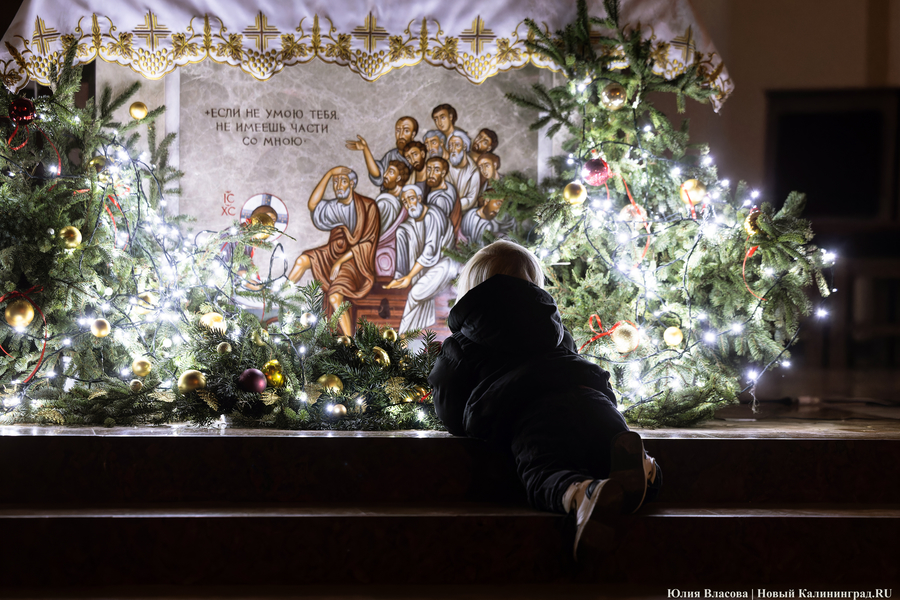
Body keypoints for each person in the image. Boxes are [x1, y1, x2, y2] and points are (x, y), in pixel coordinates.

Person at [427, 240, 661, 559]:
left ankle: (583, 493)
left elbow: (451, 408)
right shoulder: (555, 330)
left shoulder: (463, 343)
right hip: (593, 399)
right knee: (612, 452)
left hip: (536, 416)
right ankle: (646, 467)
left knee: (543, 471)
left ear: (470, 290)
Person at [287, 166, 379, 336]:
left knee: (335, 296)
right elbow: (313, 204)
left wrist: (340, 262)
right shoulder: (333, 206)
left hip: (355, 261)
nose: (338, 186)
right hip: (332, 252)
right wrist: (329, 174)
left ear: (352, 183)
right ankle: (280, 299)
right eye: (335, 182)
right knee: (302, 260)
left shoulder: (368, 206)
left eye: (343, 181)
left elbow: (367, 243)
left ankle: (349, 341)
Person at [386, 185, 456, 333]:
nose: (409, 204)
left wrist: (409, 276)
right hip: (424, 272)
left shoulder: (433, 215)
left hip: (446, 264)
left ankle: (402, 338)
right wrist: (399, 278)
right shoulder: (406, 227)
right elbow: (402, 262)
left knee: (415, 294)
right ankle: (412, 340)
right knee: (402, 231)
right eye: (405, 202)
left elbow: (430, 251)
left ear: (419, 198)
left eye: (411, 199)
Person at [345, 116, 417, 189]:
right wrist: (365, 149)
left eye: (406, 131)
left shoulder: (418, 156)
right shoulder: (391, 155)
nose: (401, 135)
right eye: (398, 130)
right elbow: (378, 175)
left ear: (413, 134)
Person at [446, 131, 482, 220]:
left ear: (464, 146)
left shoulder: (473, 171)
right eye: (450, 146)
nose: (453, 149)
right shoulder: (445, 167)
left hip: (467, 215)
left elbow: (471, 199)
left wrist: (454, 206)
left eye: (457, 145)